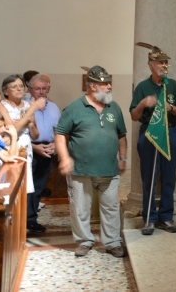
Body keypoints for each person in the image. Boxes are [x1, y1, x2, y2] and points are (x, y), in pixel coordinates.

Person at [55, 66, 128, 257]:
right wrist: (64, 158)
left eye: (109, 82)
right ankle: (84, 241)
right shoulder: (74, 108)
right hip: (81, 170)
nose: (110, 86)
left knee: (111, 207)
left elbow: (121, 135)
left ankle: (112, 242)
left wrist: (123, 158)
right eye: (105, 83)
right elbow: (60, 134)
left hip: (109, 170)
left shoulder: (114, 107)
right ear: (92, 86)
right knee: (80, 208)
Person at [130, 44, 176, 235]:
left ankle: (166, 217)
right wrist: (144, 104)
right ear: (150, 65)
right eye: (160, 62)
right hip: (150, 133)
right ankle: (149, 218)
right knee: (149, 177)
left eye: (166, 62)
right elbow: (134, 116)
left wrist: (170, 108)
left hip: (170, 131)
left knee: (169, 176)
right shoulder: (143, 87)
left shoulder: (173, 85)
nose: (164, 65)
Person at [1, 75, 42, 217]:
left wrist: (29, 123)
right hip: (9, 149)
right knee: (10, 187)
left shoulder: (26, 106)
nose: (19, 89)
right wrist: (28, 116)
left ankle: (21, 226)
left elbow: (35, 134)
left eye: (20, 86)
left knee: (25, 189)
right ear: (6, 91)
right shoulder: (2, 106)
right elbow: (12, 130)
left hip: (26, 149)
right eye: (14, 86)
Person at [27, 74, 60, 233]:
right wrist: (34, 147)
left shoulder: (53, 107)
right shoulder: (25, 106)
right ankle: (25, 219)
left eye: (44, 89)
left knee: (39, 187)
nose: (41, 92)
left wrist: (55, 144)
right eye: (37, 89)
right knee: (27, 187)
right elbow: (19, 133)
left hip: (47, 149)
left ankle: (31, 219)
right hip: (29, 149)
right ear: (30, 90)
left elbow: (59, 130)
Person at [0, 113, 24, 178]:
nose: (3, 128)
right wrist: (13, 136)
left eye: (3, 125)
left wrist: (14, 137)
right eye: (0, 126)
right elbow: (10, 156)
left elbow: (13, 156)